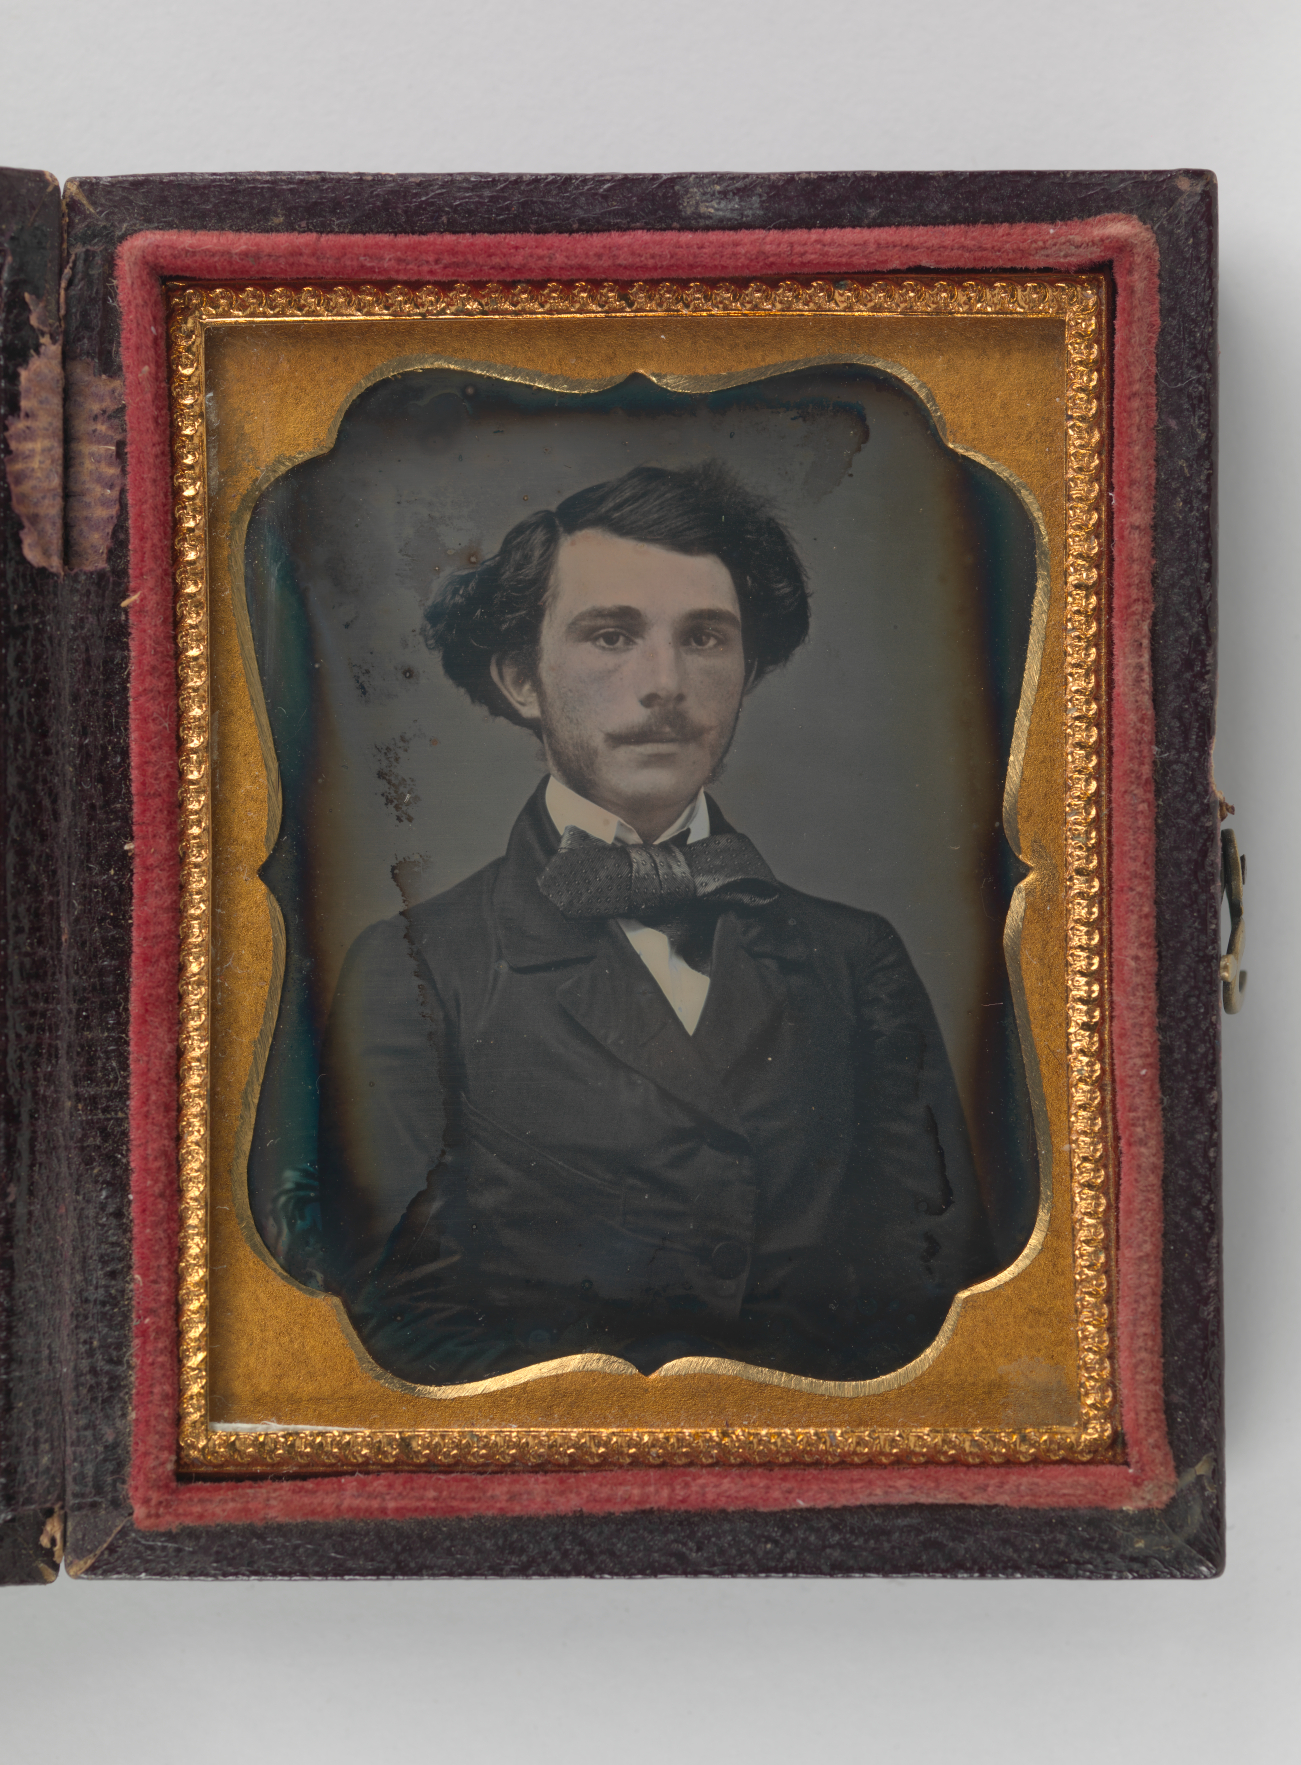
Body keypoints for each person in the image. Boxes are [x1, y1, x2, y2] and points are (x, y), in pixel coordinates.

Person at [316, 460, 995, 1386]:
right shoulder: (418, 966)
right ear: (521, 677)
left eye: (706, 638)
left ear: (747, 672)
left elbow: (939, 1288)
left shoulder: (853, 957)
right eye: (610, 635)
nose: (664, 683)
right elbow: (384, 1324)